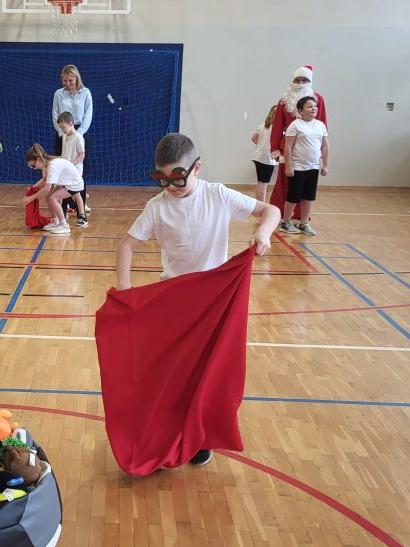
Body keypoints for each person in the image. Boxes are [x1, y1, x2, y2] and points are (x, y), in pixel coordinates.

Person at [115, 133, 280, 466]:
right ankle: (166, 435)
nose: (171, 186)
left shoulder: (217, 195)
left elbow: (270, 210)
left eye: (178, 177)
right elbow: (126, 247)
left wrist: (263, 231)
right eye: (162, 179)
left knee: (208, 374)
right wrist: (125, 291)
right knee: (172, 374)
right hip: (174, 302)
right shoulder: (157, 206)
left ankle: (200, 436)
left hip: (214, 304)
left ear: (197, 169)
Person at [269, 65, 328, 220]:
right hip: (287, 149)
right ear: (292, 81)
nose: (301, 83)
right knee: (286, 185)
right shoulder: (284, 101)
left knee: (307, 188)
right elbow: (277, 126)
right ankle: (281, 216)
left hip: (309, 150)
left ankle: (302, 218)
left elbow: (322, 125)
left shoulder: (318, 99)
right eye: (298, 80)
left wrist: (320, 153)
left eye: (304, 80)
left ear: (310, 82)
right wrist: (275, 149)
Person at [280, 97, 329, 235]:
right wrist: (288, 166)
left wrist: (325, 165)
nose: (313, 108)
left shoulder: (320, 125)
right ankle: (286, 223)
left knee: (309, 197)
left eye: (315, 106)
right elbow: (288, 147)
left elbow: (325, 146)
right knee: (293, 196)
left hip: (313, 167)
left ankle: (304, 223)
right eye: (309, 106)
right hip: (297, 167)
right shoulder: (295, 125)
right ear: (300, 111)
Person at [52, 64, 93, 212]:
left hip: (80, 133)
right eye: (64, 80)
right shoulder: (58, 94)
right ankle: (66, 203)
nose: (68, 83)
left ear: (77, 78)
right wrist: (64, 134)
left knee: (80, 169)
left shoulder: (86, 93)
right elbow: (55, 114)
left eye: (70, 80)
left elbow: (88, 115)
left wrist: (78, 134)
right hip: (63, 133)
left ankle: (80, 202)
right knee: (63, 169)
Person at [25, 143, 87, 235]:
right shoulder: (45, 166)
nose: (34, 168)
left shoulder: (52, 165)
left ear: (38, 160)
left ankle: (64, 225)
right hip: (65, 182)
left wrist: (31, 198)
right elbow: (44, 179)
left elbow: (47, 188)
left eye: (33, 166)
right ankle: (55, 221)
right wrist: (33, 188)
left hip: (74, 184)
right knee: (48, 197)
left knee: (52, 198)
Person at [56, 111, 87, 221]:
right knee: (62, 191)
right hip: (66, 169)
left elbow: (82, 155)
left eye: (63, 127)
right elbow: (65, 153)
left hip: (75, 170)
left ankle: (82, 216)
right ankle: (62, 215)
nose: (62, 130)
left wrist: (71, 164)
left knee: (75, 193)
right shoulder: (64, 136)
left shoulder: (78, 137)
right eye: (60, 128)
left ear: (71, 124)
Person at [251, 105, 277, 203]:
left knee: (261, 183)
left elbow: (253, 138)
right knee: (263, 184)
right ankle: (261, 205)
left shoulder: (262, 125)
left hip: (258, 156)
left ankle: (259, 204)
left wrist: (261, 145)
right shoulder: (277, 128)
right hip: (267, 158)